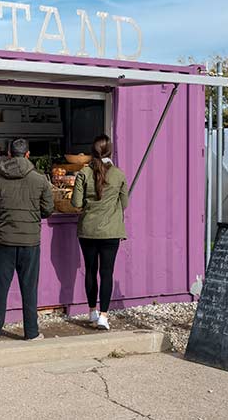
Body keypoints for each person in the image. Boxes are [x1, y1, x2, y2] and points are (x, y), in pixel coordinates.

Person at [0, 138, 54, 340]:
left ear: (9, 154)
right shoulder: (40, 179)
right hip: (30, 241)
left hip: (2, 240)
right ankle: (31, 332)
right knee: (29, 288)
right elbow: (48, 209)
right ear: (28, 154)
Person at [70, 134, 128, 331]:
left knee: (90, 270)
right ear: (110, 151)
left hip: (88, 230)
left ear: (92, 152)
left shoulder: (84, 173)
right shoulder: (119, 174)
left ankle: (92, 311)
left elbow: (76, 203)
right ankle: (104, 316)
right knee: (107, 272)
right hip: (111, 231)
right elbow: (125, 203)